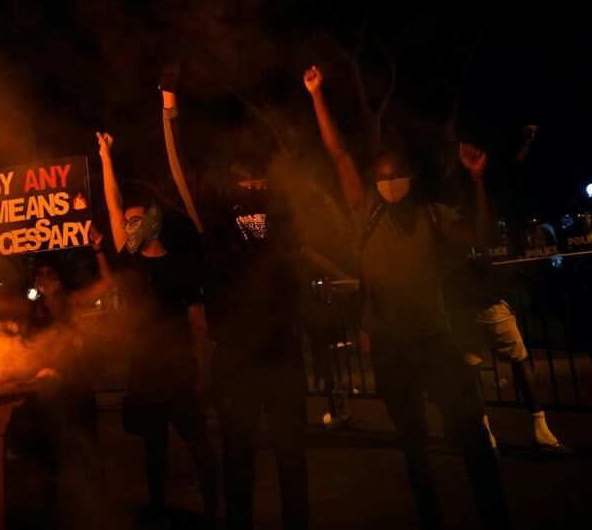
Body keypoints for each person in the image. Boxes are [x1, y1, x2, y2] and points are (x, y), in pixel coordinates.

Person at [304, 64, 510, 530]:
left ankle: (496, 518)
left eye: (397, 175)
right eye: (383, 176)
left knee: (471, 434)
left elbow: (479, 233)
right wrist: (316, 95)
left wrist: (478, 180)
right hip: (393, 348)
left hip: (436, 340)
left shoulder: (432, 214)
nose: (390, 182)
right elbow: (339, 155)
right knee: (413, 444)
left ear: (411, 177)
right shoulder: (365, 212)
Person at [159, 63, 309, 530]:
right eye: (246, 181)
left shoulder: (281, 211)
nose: (254, 187)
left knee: (292, 454)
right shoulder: (215, 215)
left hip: (282, 351)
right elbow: (181, 169)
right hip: (237, 358)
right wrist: (169, 106)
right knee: (239, 454)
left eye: (259, 181)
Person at [95, 129, 220, 529]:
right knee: (154, 449)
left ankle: (215, 512)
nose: (128, 226)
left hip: (179, 372)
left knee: (199, 444)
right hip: (146, 374)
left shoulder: (181, 266)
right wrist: (106, 158)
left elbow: (198, 322)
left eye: (135, 221)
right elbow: (113, 205)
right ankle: (159, 513)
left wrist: (204, 372)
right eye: (126, 223)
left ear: (152, 222)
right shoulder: (132, 264)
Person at [0, 230, 112, 529]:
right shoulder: (28, 308)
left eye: (51, 273)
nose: (45, 277)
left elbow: (107, 285)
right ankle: (51, 513)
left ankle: (96, 511)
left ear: (60, 279)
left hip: (76, 388)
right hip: (44, 394)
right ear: (34, 281)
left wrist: (99, 251)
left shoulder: (71, 303)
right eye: (40, 274)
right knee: (48, 457)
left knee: (87, 451)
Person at [451, 125, 570, 453]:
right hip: (485, 302)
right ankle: (540, 431)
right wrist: (478, 178)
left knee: (473, 369)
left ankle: (485, 435)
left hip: (464, 304)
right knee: (519, 359)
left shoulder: (444, 211)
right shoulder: (467, 213)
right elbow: (483, 227)